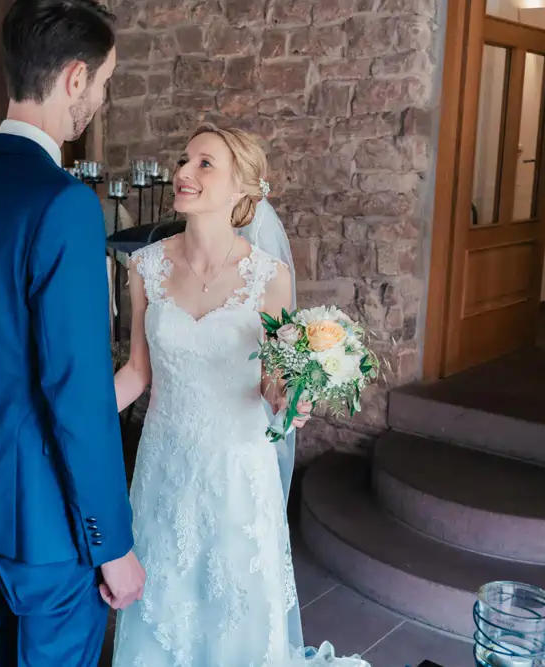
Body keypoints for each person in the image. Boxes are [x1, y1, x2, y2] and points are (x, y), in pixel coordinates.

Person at [0, 0, 144, 665]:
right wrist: (114, 545)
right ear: (75, 76)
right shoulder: (64, 204)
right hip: (45, 523)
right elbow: (76, 394)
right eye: (102, 83)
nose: (97, 99)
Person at [110, 124, 368, 667]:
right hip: (165, 468)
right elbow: (137, 372)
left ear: (243, 190)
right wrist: (71, 423)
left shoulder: (268, 277)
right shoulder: (146, 268)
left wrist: (293, 400)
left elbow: (274, 379)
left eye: (205, 164)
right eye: (185, 160)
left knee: (234, 610)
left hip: (238, 473)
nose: (184, 173)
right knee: (167, 603)